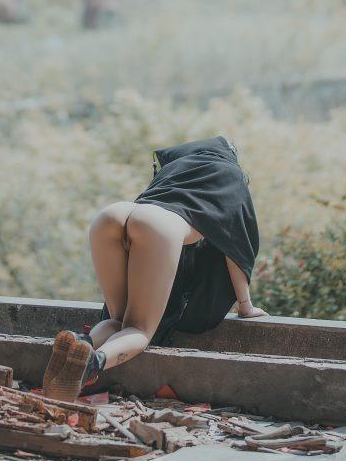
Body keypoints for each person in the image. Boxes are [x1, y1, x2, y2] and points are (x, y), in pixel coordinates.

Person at [42, 135, 265, 402]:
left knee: (118, 320)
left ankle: (82, 342)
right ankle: (92, 363)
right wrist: (245, 306)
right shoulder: (231, 176)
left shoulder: (176, 166)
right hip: (157, 225)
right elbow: (235, 246)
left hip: (113, 216)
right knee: (138, 329)